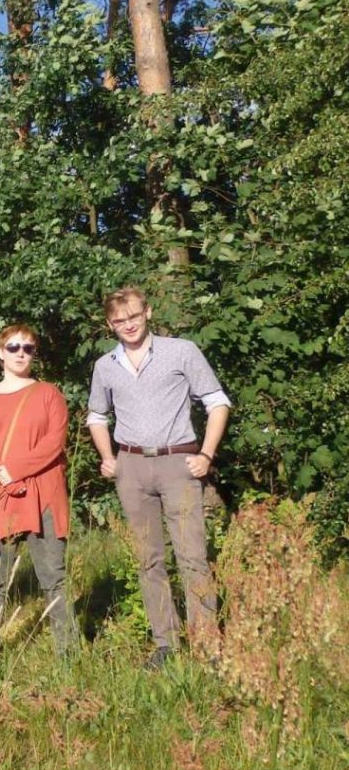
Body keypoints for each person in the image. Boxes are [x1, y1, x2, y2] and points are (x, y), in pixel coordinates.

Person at [87, 285, 230, 667]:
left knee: (192, 556)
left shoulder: (181, 351)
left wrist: (206, 454)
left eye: (134, 316)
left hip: (177, 464)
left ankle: (207, 645)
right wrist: (107, 457)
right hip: (131, 467)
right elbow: (96, 417)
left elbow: (217, 402)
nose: (128, 325)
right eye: (119, 320)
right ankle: (166, 643)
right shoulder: (105, 366)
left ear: (147, 312)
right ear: (109, 324)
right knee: (148, 559)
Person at [0, 324, 79, 660]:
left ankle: (68, 654)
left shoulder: (49, 394)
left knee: (53, 578)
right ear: (0, 351)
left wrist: (11, 469)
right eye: (13, 346)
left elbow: (53, 443)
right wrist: (2, 472)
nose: (20, 353)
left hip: (42, 495)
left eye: (28, 348)